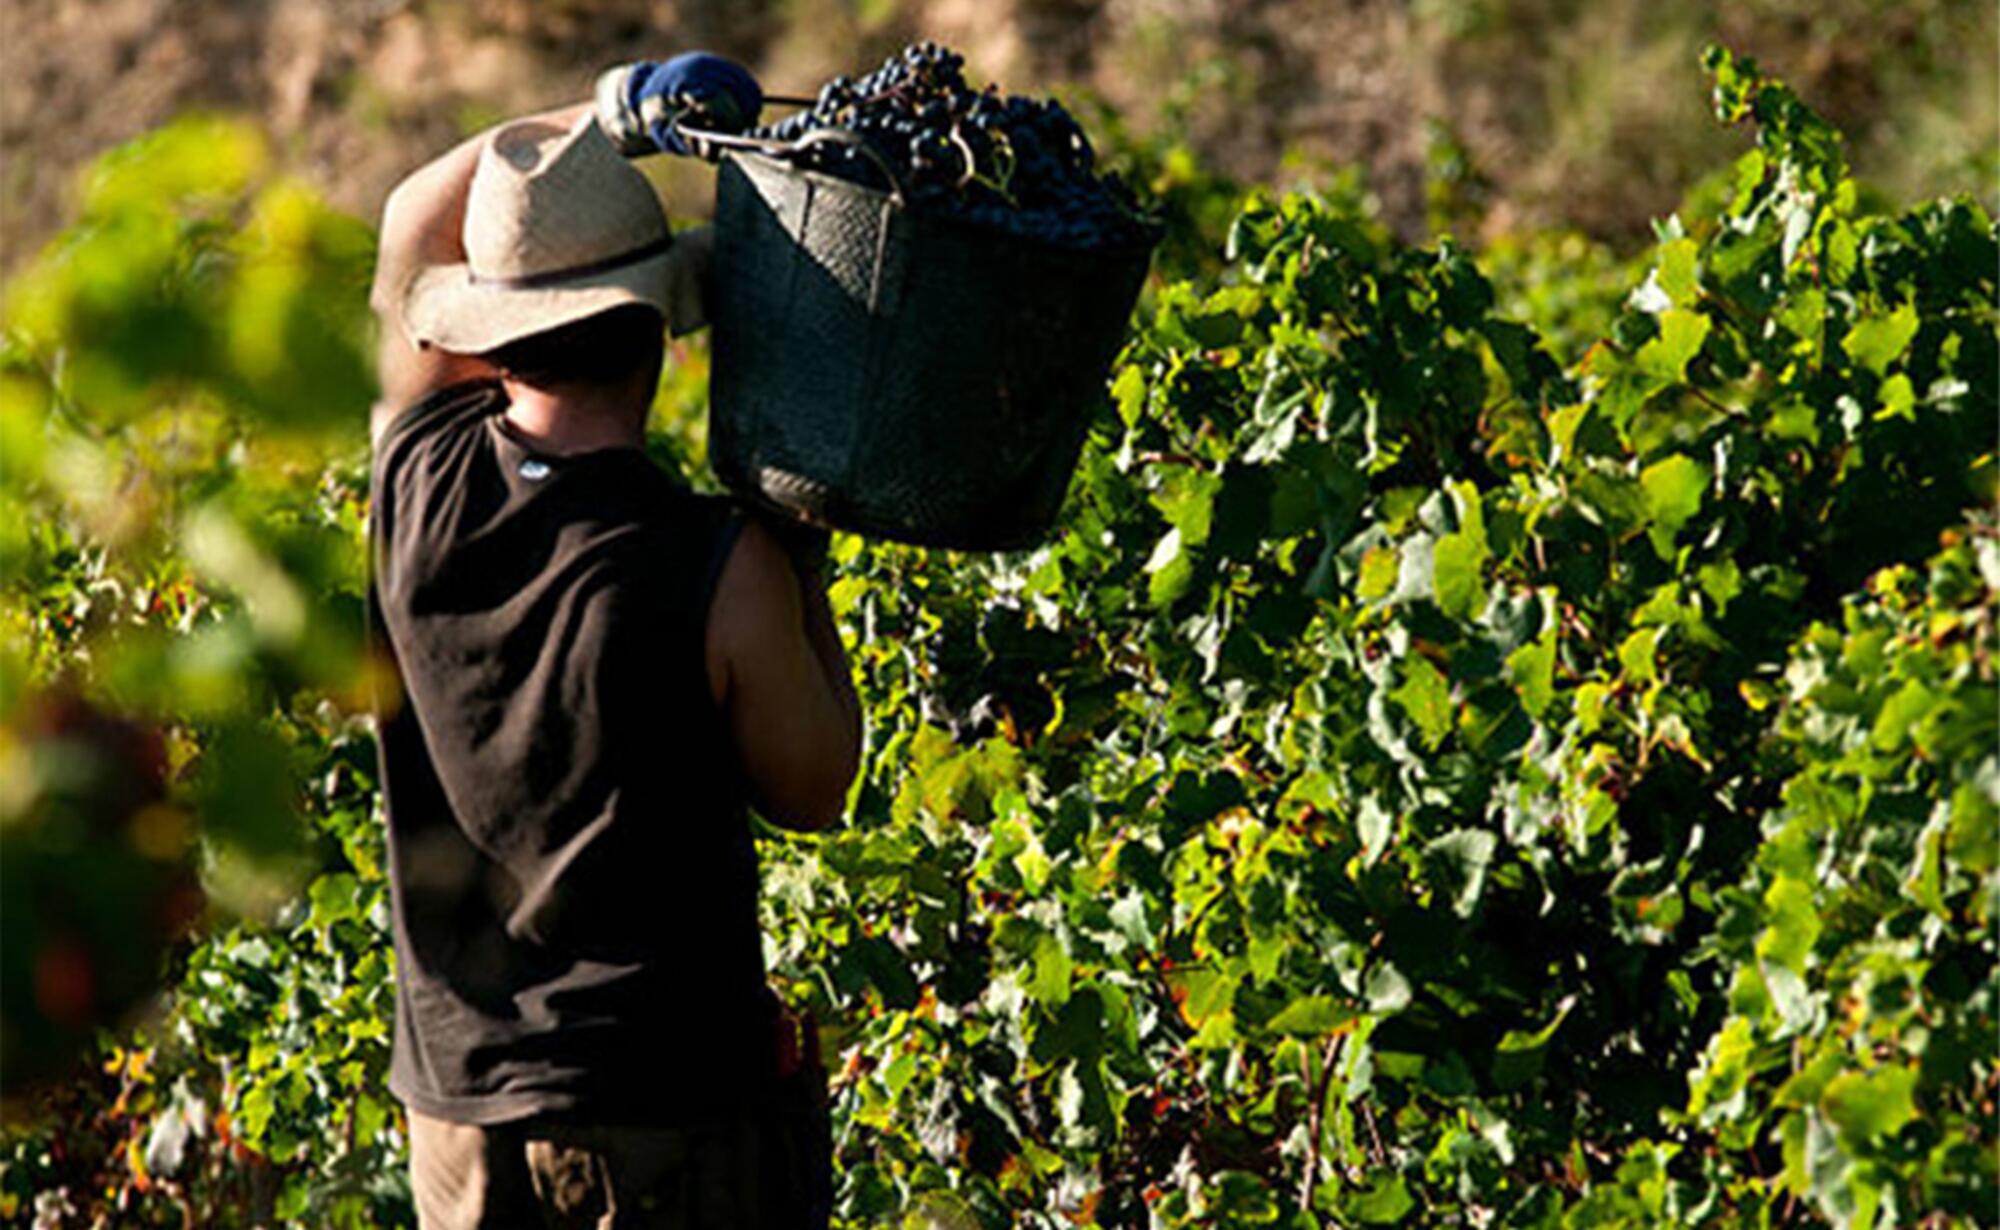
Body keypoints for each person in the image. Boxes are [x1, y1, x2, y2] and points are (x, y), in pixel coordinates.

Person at [365, 51, 860, 1229]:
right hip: (660, 1119)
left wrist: (605, 114)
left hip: (457, 1117)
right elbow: (815, 785)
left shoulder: (414, 475)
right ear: (660, 334)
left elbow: (408, 223)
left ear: (488, 334)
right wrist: (802, 563)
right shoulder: (718, 564)